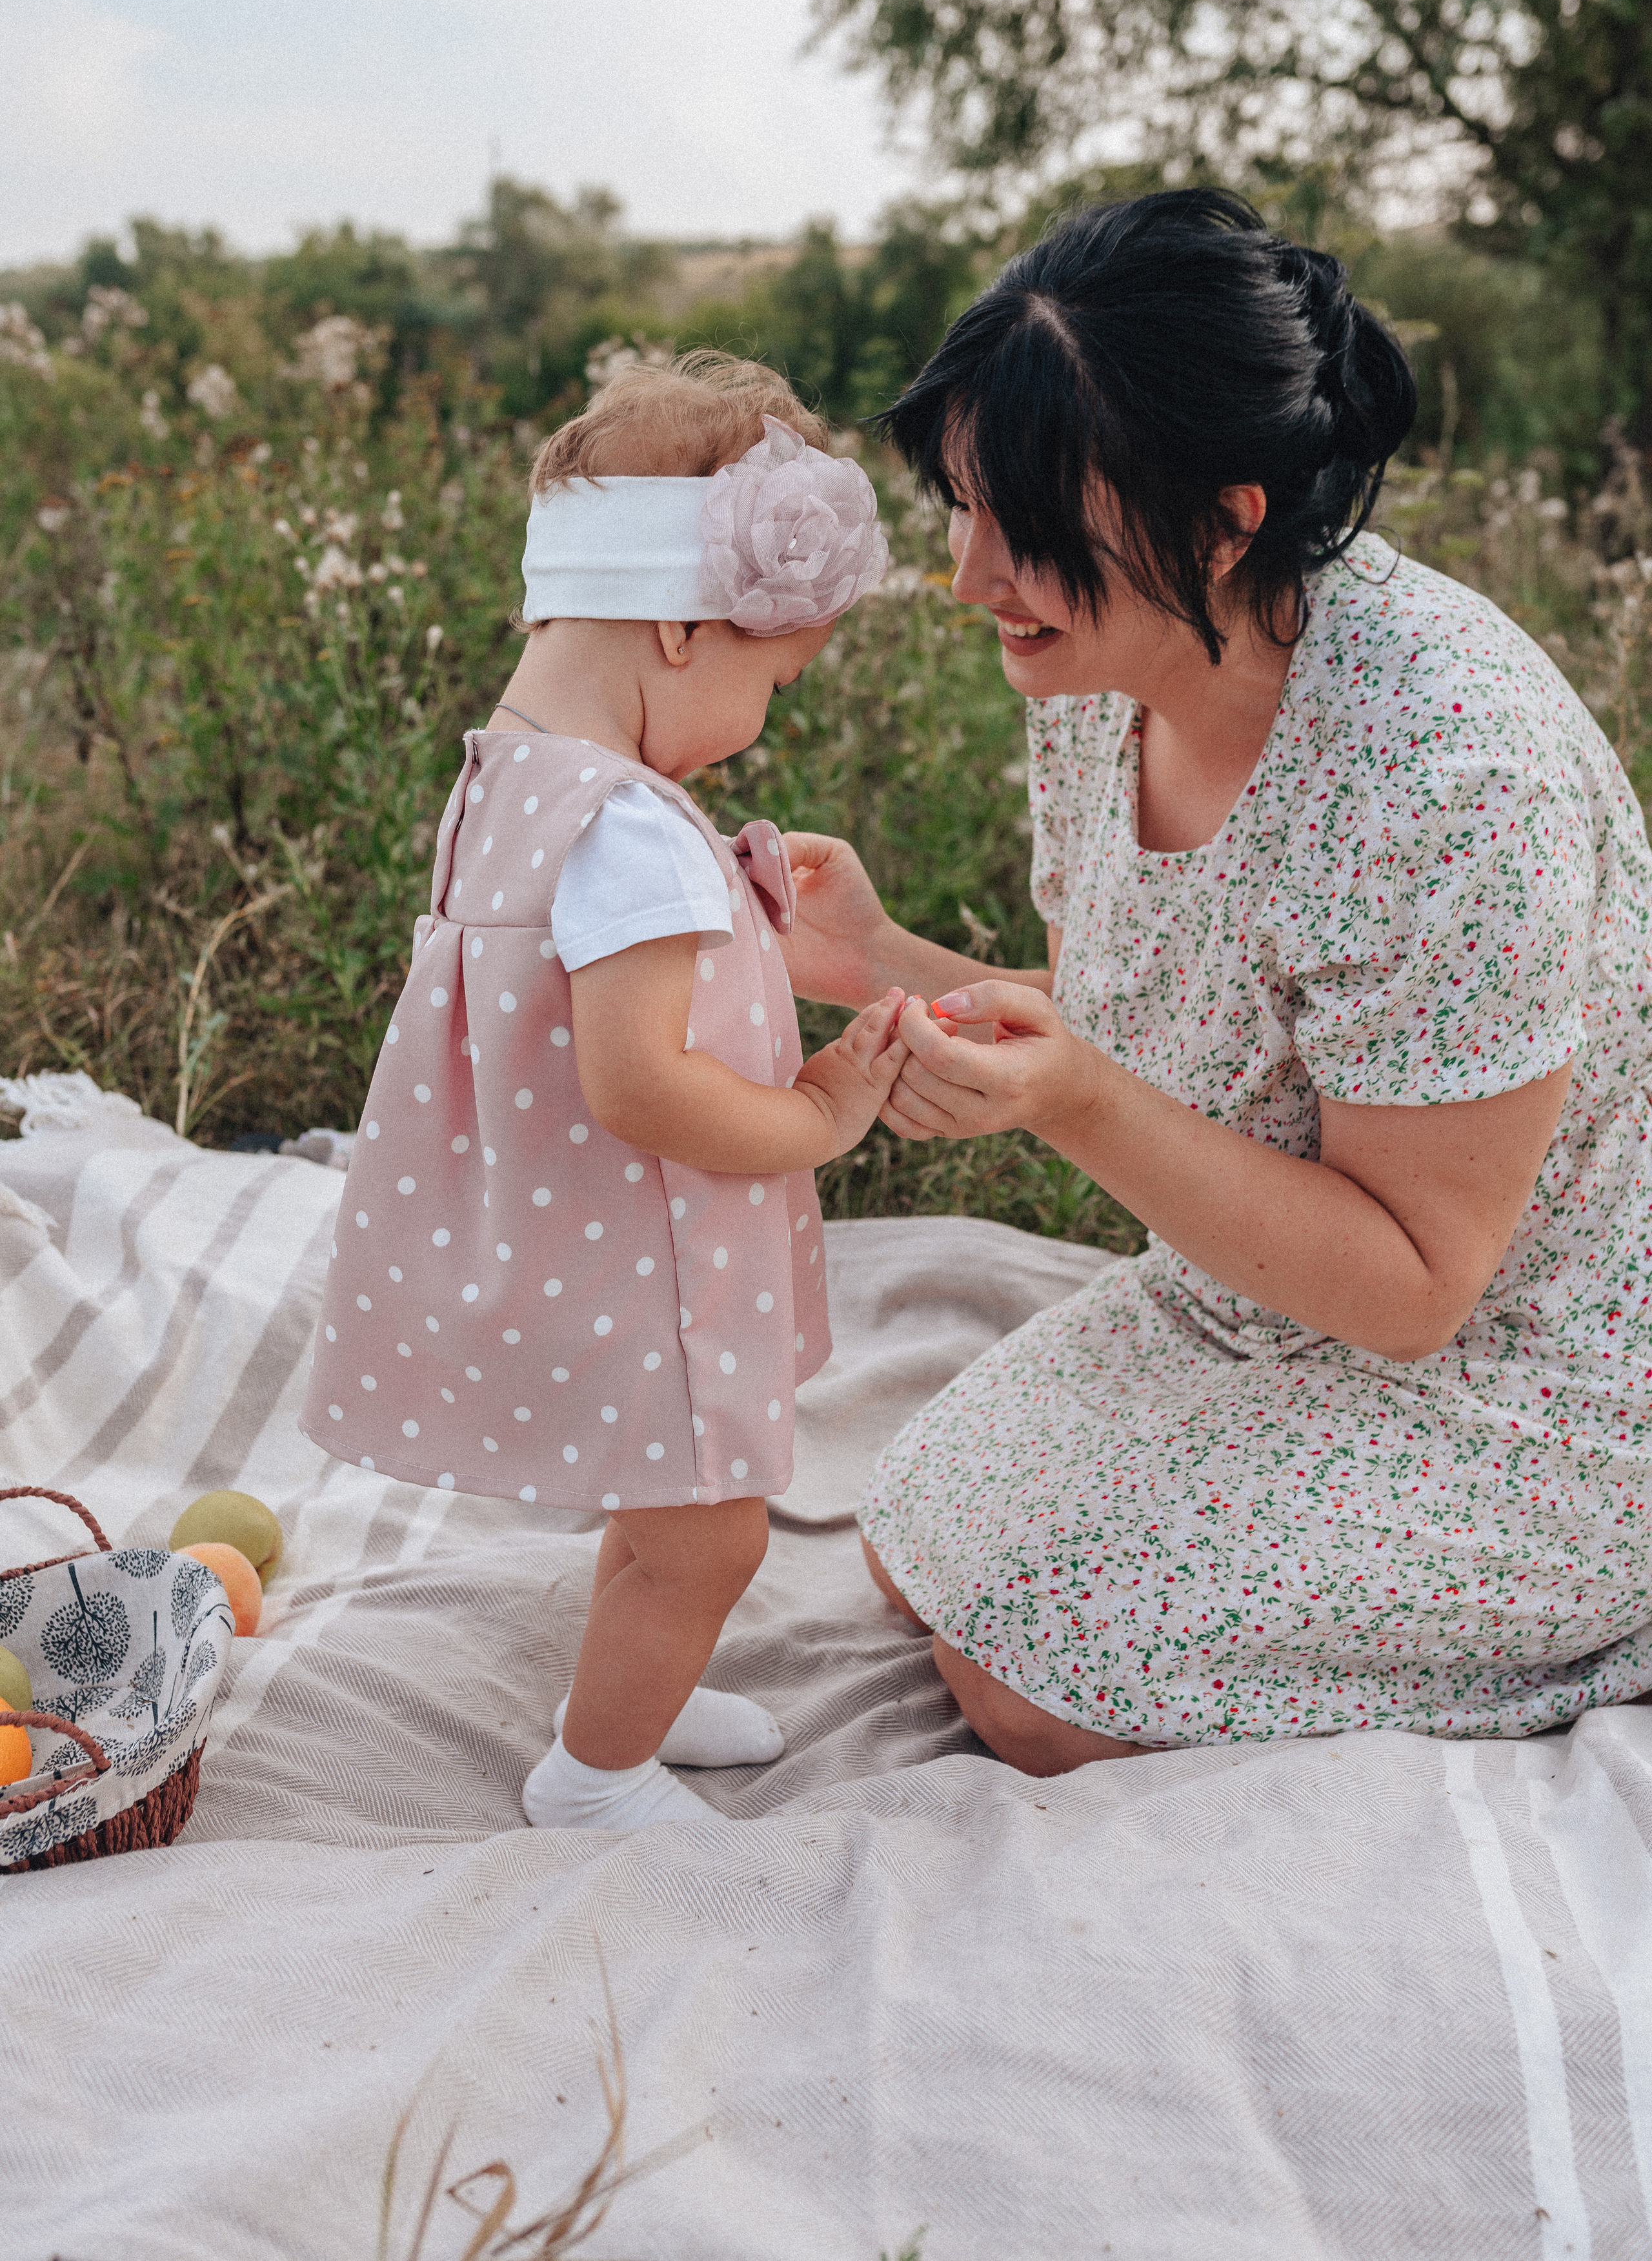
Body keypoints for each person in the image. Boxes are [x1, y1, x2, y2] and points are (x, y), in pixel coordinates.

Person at [780, 189, 1652, 1769]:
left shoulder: (1449, 777)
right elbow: (1131, 1016)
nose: (969, 574)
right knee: (912, 1553)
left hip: (1529, 1368)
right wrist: (880, 958)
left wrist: (1070, 1106)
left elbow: (1415, 1282)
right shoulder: (1100, 660)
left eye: (1019, 520)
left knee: (1027, 1688)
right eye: (958, 506)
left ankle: (1599, 1622)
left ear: (1221, 518)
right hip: (1253, 1295)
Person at [301, 354, 905, 1829]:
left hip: (576, 1236)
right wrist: (824, 1114)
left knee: (660, 1512)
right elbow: (641, 1086)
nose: (765, 716)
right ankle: (594, 1776)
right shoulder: (625, 824)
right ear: (684, 626)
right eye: (771, 678)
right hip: (652, 1263)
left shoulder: (510, 770)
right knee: (710, 1539)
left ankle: (631, 1689)